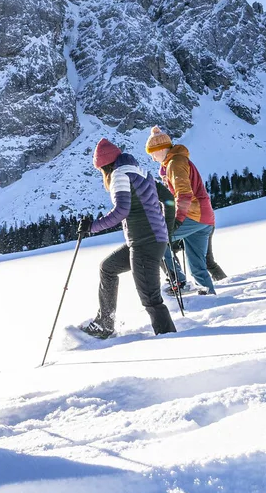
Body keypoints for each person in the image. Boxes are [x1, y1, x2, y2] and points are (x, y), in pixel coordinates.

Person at [79, 139, 177, 339]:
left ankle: (170, 339)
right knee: (108, 268)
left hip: (144, 243)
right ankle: (105, 323)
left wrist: (91, 227)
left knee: (151, 299)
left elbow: (121, 211)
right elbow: (168, 198)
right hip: (149, 240)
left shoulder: (119, 175)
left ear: (104, 167)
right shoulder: (141, 172)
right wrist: (166, 229)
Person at [145, 128, 218, 296]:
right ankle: (210, 300)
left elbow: (184, 194)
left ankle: (178, 280)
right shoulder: (176, 161)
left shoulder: (175, 163)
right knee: (198, 267)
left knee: (158, 239)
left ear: (161, 149)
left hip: (194, 215)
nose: (152, 157)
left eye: (152, 153)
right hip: (204, 218)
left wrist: (177, 220)